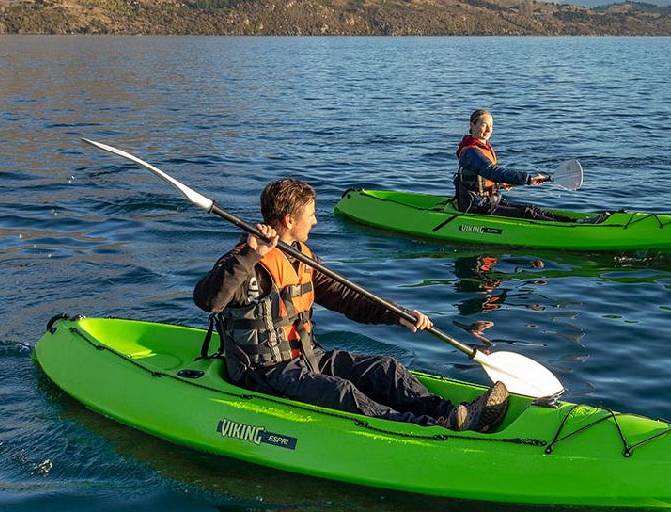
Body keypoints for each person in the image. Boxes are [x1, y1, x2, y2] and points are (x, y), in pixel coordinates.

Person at [194, 178, 508, 433]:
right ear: (289, 220)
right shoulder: (245, 260)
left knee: (386, 370)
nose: (316, 221)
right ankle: (430, 428)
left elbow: (346, 297)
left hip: (307, 358)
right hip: (264, 372)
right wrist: (250, 254)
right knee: (339, 391)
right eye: (311, 214)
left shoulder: (302, 256)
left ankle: (456, 413)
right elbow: (207, 300)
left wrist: (395, 315)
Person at [454, 110, 600, 223]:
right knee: (527, 213)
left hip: (488, 201)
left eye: (491, 126)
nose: (488, 130)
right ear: (472, 125)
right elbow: (490, 171)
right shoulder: (471, 151)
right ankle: (571, 228)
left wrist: (501, 184)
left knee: (533, 209)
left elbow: (483, 176)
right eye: (484, 125)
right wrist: (527, 178)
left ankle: (577, 222)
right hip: (477, 206)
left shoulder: (483, 147)